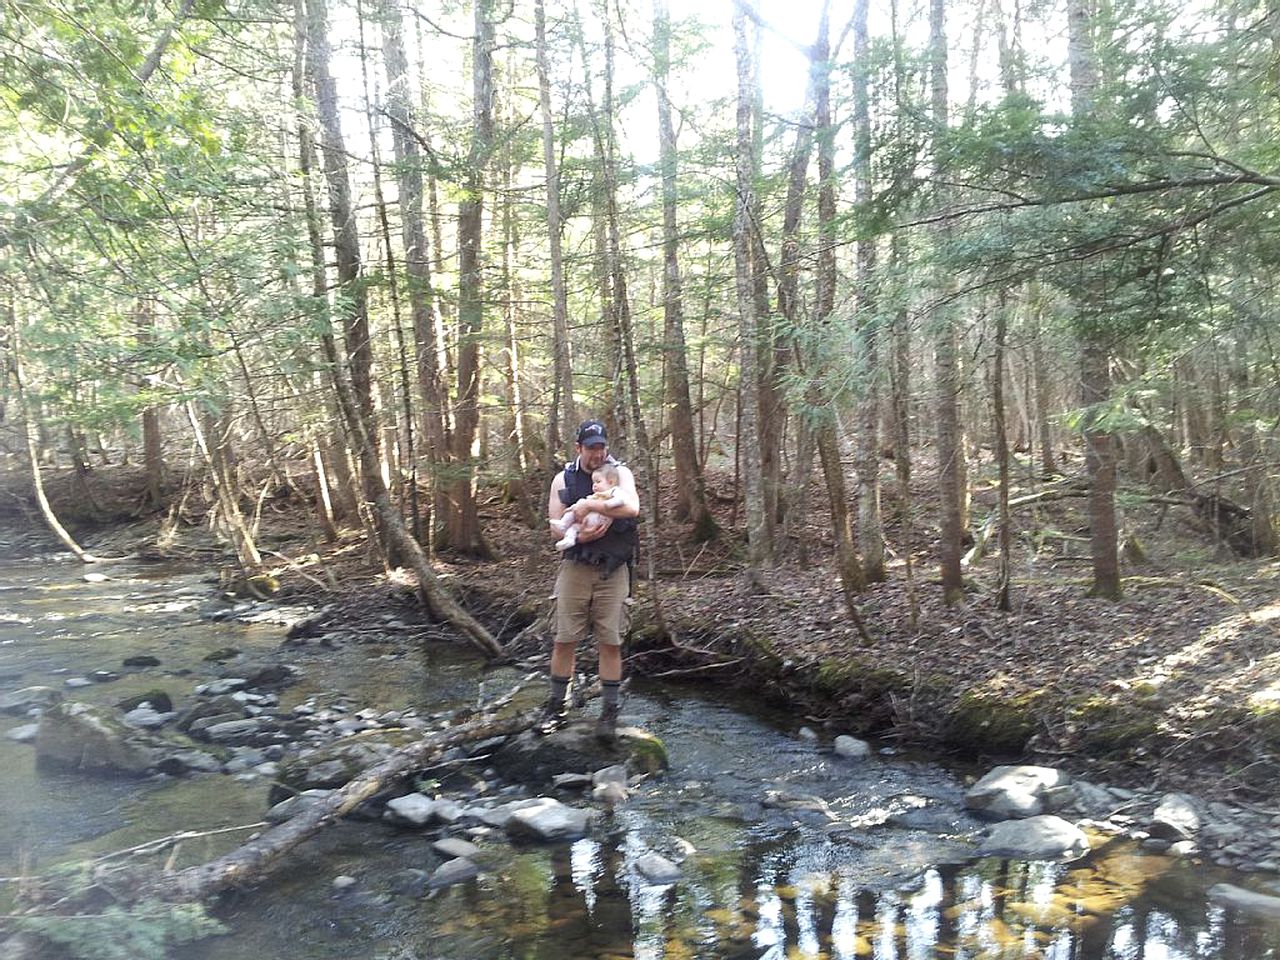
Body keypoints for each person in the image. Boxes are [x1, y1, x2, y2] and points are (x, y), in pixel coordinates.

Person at [536, 419, 640, 742]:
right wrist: (580, 533)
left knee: (611, 641)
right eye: (592, 448)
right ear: (578, 448)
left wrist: (589, 505)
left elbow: (632, 507)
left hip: (614, 569)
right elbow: (555, 525)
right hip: (576, 566)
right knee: (564, 637)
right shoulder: (563, 478)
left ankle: (609, 712)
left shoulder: (620, 473)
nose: (598, 454)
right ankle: (557, 707)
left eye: (601, 447)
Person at [548, 463, 625, 550]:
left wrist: (605, 505)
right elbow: (555, 532)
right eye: (593, 483)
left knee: (580, 505)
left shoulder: (613, 491)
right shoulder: (565, 477)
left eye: (598, 482)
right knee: (574, 526)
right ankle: (568, 537)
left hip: (599, 520)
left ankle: (565, 525)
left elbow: (621, 500)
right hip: (587, 521)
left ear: (610, 482)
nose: (594, 485)